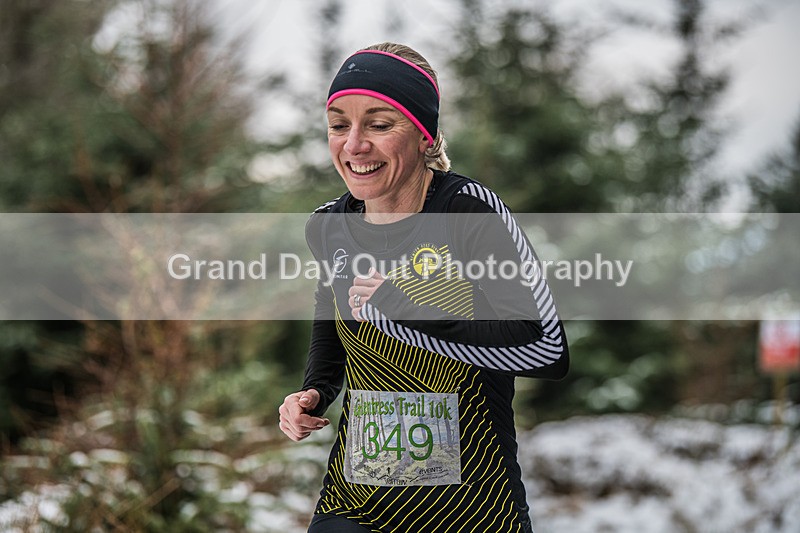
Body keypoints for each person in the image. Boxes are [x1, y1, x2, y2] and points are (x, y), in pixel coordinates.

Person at [278, 42, 569, 533]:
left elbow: (545, 349)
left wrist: (405, 311)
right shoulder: (328, 226)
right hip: (357, 503)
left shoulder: (468, 213)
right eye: (339, 124)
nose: (353, 145)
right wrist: (315, 389)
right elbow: (331, 317)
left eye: (378, 123)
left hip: (470, 511)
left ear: (424, 135)